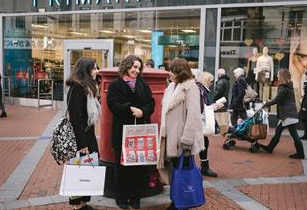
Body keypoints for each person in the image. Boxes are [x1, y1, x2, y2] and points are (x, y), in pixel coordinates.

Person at [107, 55, 155, 209]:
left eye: (139, 68)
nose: (136, 70)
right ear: (127, 66)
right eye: (134, 67)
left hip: (140, 132)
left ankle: (136, 198)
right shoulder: (115, 84)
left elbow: (151, 103)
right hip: (122, 131)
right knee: (122, 167)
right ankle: (121, 197)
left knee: (138, 168)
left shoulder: (143, 84)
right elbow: (112, 104)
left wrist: (143, 112)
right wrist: (129, 108)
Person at [157, 58, 204, 210]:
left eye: (172, 71)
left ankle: (180, 202)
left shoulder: (191, 88)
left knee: (182, 171)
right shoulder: (172, 86)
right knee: (174, 171)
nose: (169, 73)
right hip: (170, 137)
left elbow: (193, 115)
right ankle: (177, 200)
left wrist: (186, 140)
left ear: (180, 72)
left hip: (182, 139)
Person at [65, 57, 100, 210]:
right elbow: (76, 117)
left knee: (89, 167)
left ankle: (84, 202)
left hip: (88, 133)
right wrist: (82, 144)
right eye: (94, 68)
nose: (96, 70)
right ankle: (77, 205)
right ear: (85, 70)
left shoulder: (88, 88)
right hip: (81, 136)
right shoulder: (76, 88)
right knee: (78, 168)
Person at [260, 69, 305, 159]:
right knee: (278, 132)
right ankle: (270, 148)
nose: (277, 75)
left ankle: (300, 154)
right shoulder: (289, 86)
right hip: (289, 113)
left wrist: (267, 104)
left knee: (294, 134)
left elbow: (277, 99)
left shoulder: (283, 87)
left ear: (282, 76)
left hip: (287, 115)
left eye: (278, 74)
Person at [194, 70, 222, 177]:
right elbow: (202, 108)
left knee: (204, 143)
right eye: (210, 81)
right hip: (197, 122)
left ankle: (204, 167)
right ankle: (203, 168)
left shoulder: (201, 90)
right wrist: (215, 106)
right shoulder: (200, 90)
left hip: (197, 122)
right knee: (201, 144)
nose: (211, 84)